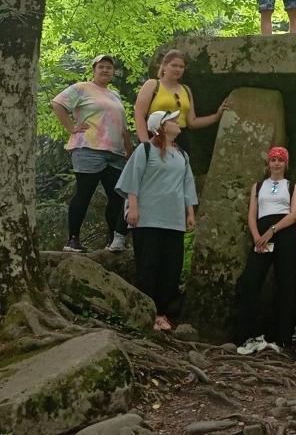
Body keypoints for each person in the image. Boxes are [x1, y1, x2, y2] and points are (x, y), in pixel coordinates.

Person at [115, 110, 197, 331]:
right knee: (148, 266)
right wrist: (133, 207)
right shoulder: (145, 150)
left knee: (171, 268)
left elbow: (187, 185)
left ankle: (161, 313)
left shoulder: (182, 155)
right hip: (148, 218)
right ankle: (146, 313)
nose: (177, 123)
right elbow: (132, 178)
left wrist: (190, 213)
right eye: (172, 120)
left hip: (174, 220)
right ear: (161, 126)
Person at [52, 54, 133, 253]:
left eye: (109, 67)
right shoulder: (82, 88)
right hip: (89, 149)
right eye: (101, 67)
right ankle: (73, 240)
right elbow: (57, 104)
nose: (105, 70)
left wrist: (129, 149)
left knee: (117, 196)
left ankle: (113, 239)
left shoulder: (114, 95)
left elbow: (122, 126)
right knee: (84, 193)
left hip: (115, 153)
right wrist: (71, 128)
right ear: (94, 70)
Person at [234, 146, 296, 355]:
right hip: (262, 234)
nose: (276, 163)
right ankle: (249, 335)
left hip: (284, 233)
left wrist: (273, 230)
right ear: (268, 163)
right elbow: (252, 214)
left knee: (286, 284)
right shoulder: (258, 186)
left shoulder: (292, 186)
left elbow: (294, 214)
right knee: (250, 281)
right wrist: (257, 237)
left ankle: (282, 338)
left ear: (286, 164)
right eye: (273, 160)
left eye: (280, 160)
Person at [133, 49, 228, 153]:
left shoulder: (186, 90)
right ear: (164, 66)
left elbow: (192, 122)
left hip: (181, 139)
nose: (178, 69)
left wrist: (216, 116)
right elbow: (139, 114)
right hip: (156, 136)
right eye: (174, 65)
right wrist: (146, 144)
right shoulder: (153, 85)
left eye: (181, 67)